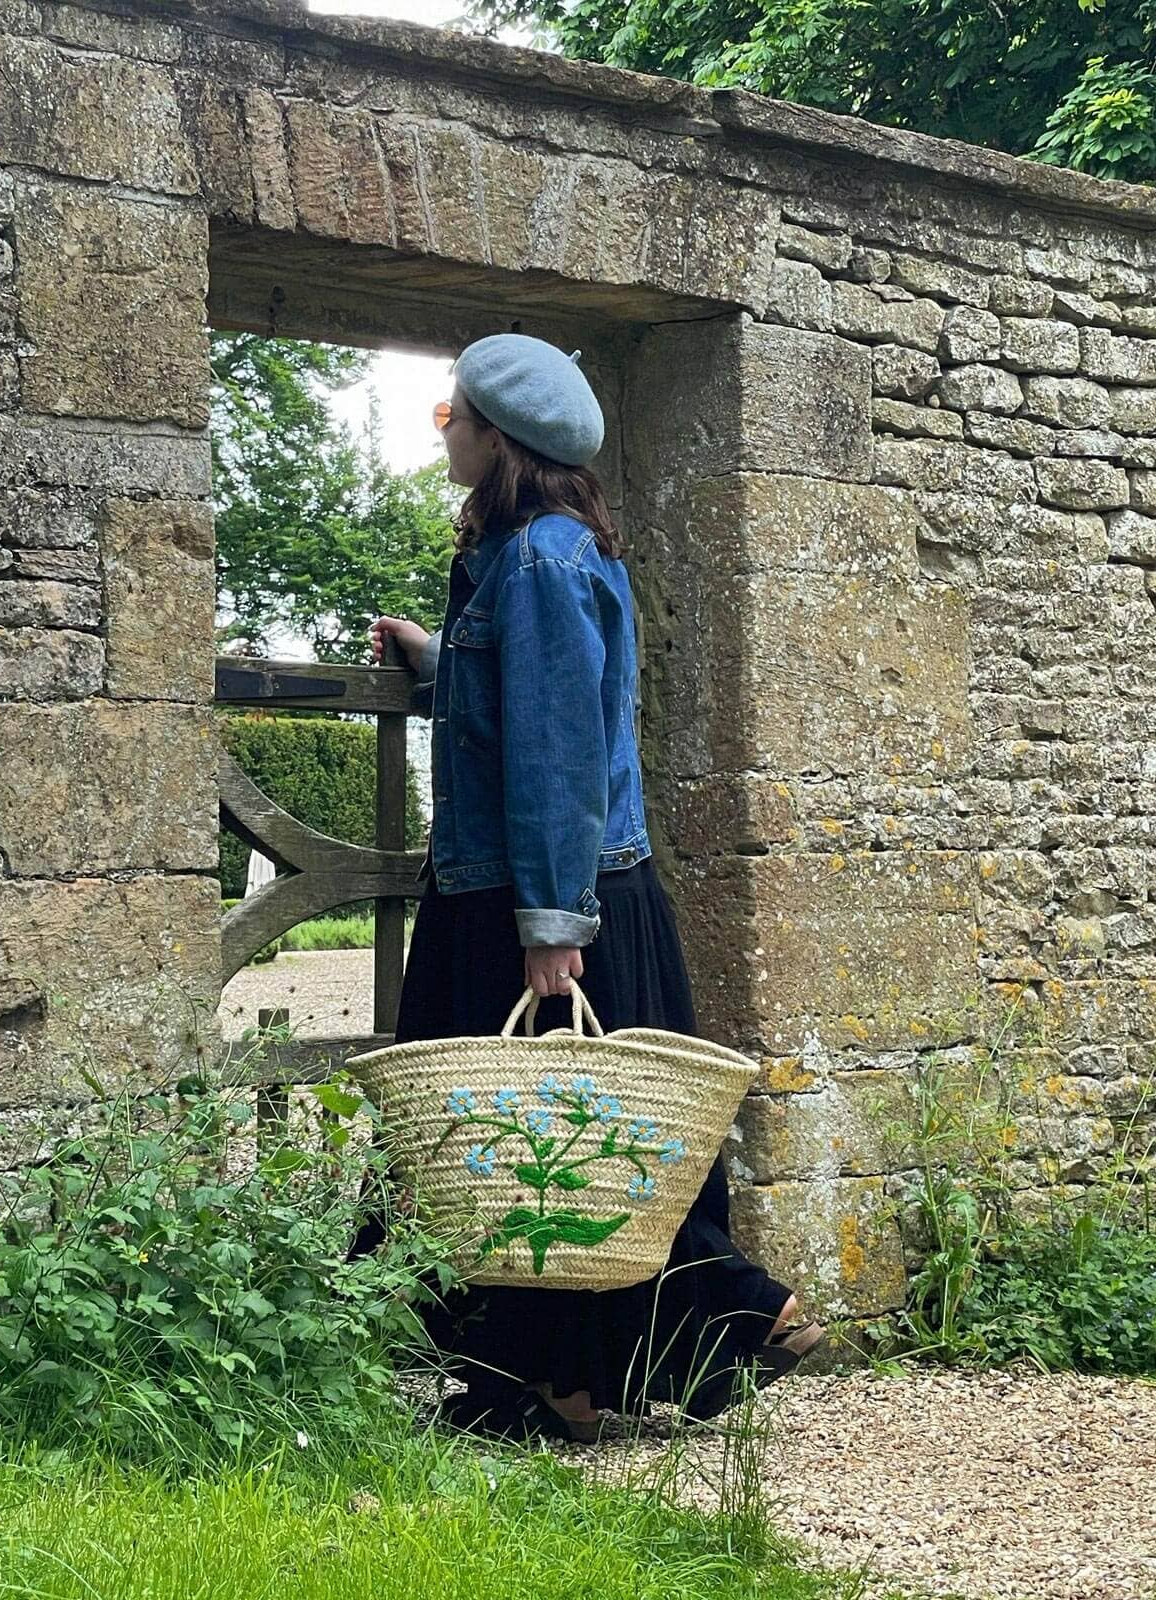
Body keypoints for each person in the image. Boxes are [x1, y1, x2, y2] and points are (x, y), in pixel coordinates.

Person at [368, 332, 822, 1442]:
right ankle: (557, 1384)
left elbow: (564, 752)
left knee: (555, 1148)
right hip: (537, 897)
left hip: (546, 905)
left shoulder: (541, 563)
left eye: (452, 415)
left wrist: (552, 928)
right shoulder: (537, 557)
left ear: (499, 436)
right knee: (550, 1150)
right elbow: (521, 707)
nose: (446, 431)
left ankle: (750, 1310)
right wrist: (441, 661)